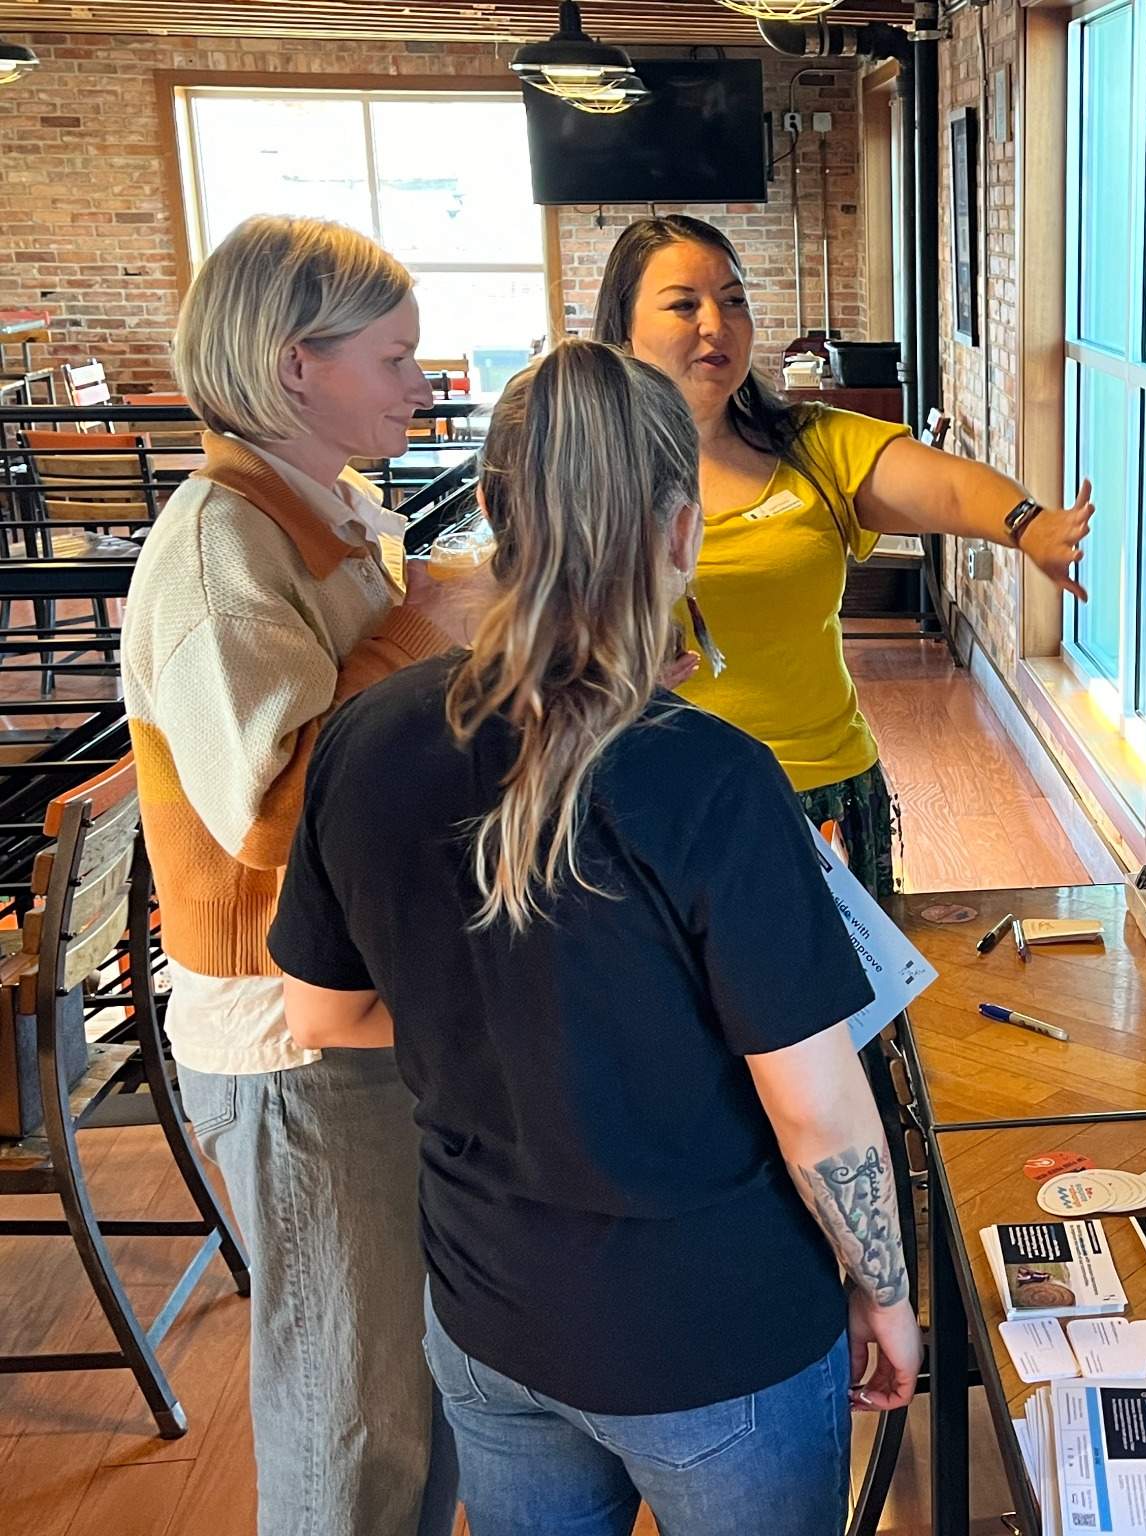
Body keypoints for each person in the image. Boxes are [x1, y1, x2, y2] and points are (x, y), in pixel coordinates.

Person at [267, 340, 921, 1536]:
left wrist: (521, 1010)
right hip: (713, 1338)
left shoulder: (364, 737)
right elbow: (814, 1109)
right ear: (682, 535)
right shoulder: (715, 780)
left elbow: (321, 1013)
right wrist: (884, 1292)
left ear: (495, 517)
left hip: (493, 1319)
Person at [121, 216, 470, 1535]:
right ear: (293, 367)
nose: (418, 384)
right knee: (354, 1414)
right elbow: (276, 807)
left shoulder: (305, 513)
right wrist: (426, 630)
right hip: (288, 1036)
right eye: (393, 357)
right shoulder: (222, 547)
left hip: (352, 1002)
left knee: (410, 1385)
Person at [592, 213, 1096, 894]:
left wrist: (1028, 524)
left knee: (849, 1000)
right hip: (649, 806)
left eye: (733, 300)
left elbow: (942, 487)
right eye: (685, 304)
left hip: (818, 795)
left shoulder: (811, 443)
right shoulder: (586, 469)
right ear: (623, 330)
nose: (717, 323)